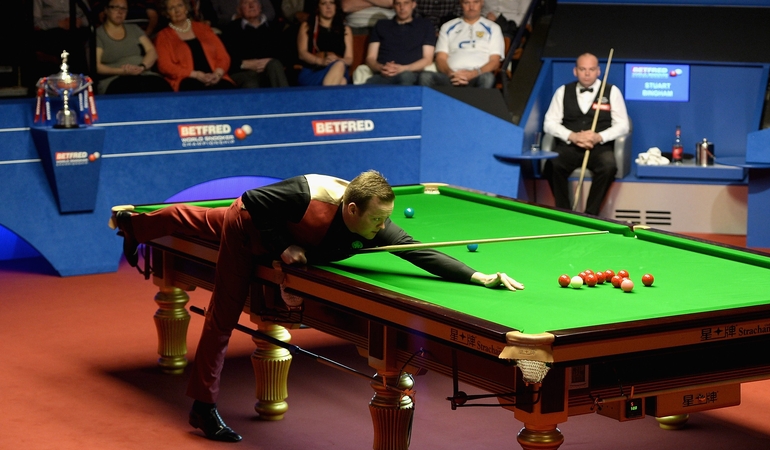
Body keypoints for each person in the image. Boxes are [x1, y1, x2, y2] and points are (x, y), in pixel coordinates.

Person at [112, 170, 523, 442]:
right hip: (249, 223)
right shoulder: (306, 195)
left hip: (288, 235)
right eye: (376, 222)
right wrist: (283, 246)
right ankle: (203, 407)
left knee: (192, 219)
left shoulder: (374, 222)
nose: (383, 230)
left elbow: (418, 252)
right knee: (225, 310)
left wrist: (477, 276)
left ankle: (132, 223)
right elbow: (252, 200)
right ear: (350, 209)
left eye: (385, 222)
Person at [542, 52, 630, 216]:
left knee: (608, 167)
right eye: (583, 69)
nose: (587, 73)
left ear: (599, 71)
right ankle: (564, 213)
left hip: (599, 147)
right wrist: (572, 136)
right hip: (570, 146)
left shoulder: (611, 91)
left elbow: (623, 125)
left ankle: (591, 215)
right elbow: (549, 123)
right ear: (575, 71)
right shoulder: (563, 91)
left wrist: (599, 137)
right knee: (552, 165)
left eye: (591, 69)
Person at [419, 0, 503, 89]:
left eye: (475, 2)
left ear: (482, 3)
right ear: (461, 4)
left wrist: (472, 74)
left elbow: (494, 62)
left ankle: (477, 102)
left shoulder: (493, 28)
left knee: (487, 78)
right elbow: (440, 58)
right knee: (425, 76)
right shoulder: (447, 27)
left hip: (478, 76)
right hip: (451, 77)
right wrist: (451, 74)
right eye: (467, 3)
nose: (471, 7)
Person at [154, 0, 236, 91]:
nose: (177, 10)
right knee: (195, 88)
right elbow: (164, 66)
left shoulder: (204, 28)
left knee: (227, 88)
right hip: (187, 79)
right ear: (166, 13)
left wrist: (217, 74)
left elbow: (223, 56)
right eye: (172, 8)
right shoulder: (163, 36)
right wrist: (195, 74)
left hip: (215, 77)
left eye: (180, 5)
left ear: (186, 8)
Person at [95, 0, 173, 94]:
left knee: (162, 86)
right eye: (115, 7)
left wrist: (142, 67)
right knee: (133, 88)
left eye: (124, 8)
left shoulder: (134, 29)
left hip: (143, 74)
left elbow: (152, 51)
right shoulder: (98, 34)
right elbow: (96, 66)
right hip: (115, 78)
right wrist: (123, 71)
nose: (120, 12)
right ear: (106, 10)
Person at [359, 0, 435, 85]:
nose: (402, 7)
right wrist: (382, 68)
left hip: (411, 73)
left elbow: (428, 59)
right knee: (368, 85)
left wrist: (404, 68)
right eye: (398, 3)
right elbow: (370, 58)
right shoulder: (381, 25)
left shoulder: (425, 25)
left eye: (406, 3)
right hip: (385, 74)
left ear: (413, 4)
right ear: (393, 6)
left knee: (406, 76)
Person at [221, 0, 290, 88]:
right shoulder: (230, 30)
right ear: (239, 10)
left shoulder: (274, 27)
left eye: (255, 2)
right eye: (246, 3)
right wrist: (243, 64)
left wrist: (268, 62)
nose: (251, 6)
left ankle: (286, 100)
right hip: (243, 72)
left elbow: (287, 55)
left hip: (270, 70)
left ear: (260, 7)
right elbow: (225, 59)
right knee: (251, 83)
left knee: (274, 64)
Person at [296, 0, 353, 86]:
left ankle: (323, 97)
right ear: (318, 7)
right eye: (323, 3)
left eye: (332, 3)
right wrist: (320, 61)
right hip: (313, 70)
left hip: (338, 67)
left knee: (339, 66)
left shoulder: (345, 29)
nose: (328, 7)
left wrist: (338, 60)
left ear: (336, 6)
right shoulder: (307, 26)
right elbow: (302, 53)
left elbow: (349, 58)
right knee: (342, 82)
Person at [33, 0, 92, 75]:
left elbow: (90, 16)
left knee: (80, 38)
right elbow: (36, 22)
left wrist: (80, 22)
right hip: (52, 32)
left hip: (79, 29)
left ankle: (81, 78)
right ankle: (78, 78)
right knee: (70, 40)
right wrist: (58, 24)